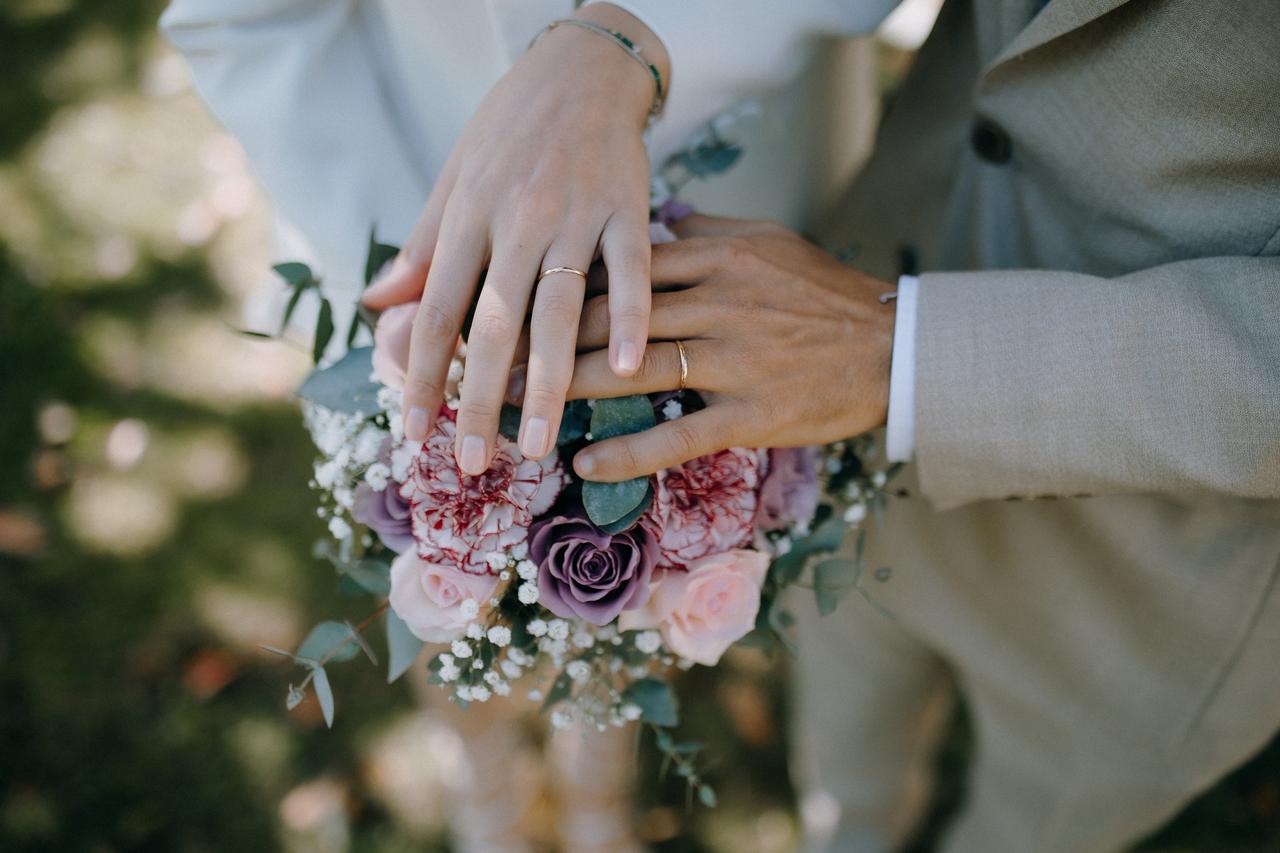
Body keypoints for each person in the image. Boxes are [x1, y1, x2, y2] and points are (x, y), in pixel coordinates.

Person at [337, 0, 1279, 850]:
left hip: (1161, 563)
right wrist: (613, 43)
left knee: (1039, 822)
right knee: (843, 754)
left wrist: (907, 355)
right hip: (839, 391)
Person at [160, 1, 853, 850]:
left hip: (715, 210)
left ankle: (597, 787)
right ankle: (485, 783)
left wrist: (623, 53)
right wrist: (418, 283)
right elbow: (244, 18)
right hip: (406, 177)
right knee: (433, 575)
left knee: (650, 572)